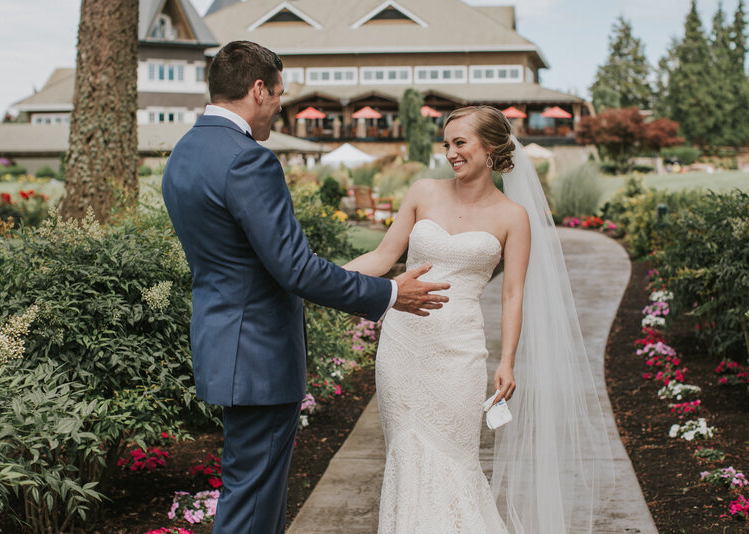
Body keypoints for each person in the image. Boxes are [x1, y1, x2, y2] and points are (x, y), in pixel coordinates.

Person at [161, 41, 450, 534]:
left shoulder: (185, 152)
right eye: (278, 95)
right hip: (259, 354)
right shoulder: (247, 160)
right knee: (252, 505)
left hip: (223, 344)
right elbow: (295, 269)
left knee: (250, 493)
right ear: (258, 89)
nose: (280, 106)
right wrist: (391, 294)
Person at [344, 106, 615, 533]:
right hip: (403, 345)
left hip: (459, 352)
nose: (450, 153)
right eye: (446, 144)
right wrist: (326, 279)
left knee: (455, 460)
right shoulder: (423, 192)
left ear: (490, 148)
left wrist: (507, 361)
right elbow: (382, 257)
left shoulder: (513, 217)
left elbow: (513, 293)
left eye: (460, 142)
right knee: (408, 453)